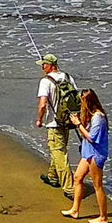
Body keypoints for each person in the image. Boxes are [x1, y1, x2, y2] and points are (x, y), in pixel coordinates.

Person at [63, 89, 112, 223]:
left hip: (96, 154)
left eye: (82, 102)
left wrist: (78, 124)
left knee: (97, 185)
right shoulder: (91, 115)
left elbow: (91, 137)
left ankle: (103, 217)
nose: (80, 105)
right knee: (78, 177)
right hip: (88, 153)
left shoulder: (98, 117)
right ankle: (75, 209)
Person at [35, 54, 77, 197]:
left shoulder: (45, 82)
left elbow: (42, 105)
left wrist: (39, 120)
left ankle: (70, 189)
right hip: (67, 121)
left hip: (54, 123)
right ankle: (53, 177)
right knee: (58, 149)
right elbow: (76, 99)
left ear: (51, 65)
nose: (42, 67)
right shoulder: (68, 77)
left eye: (44, 65)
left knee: (59, 154)